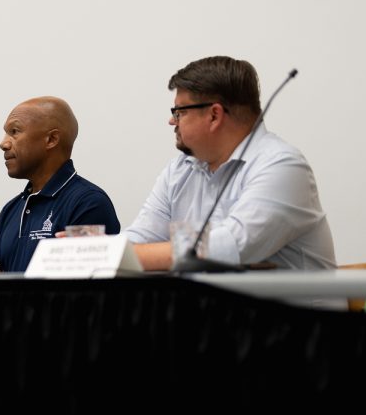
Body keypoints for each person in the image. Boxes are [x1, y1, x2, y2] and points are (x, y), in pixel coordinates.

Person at [125, 55, 336, 271]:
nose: (172, 121)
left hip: (285, 304)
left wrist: (124, 255)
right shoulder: (179, 170)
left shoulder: (283, 166)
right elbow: (139, 239)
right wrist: (105, 253)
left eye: (180, 112)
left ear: (214, 115)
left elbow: (230, 247)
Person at [0, 97, 120, 272]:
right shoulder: (11, 210)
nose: (3, 143)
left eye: (14, 131)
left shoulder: (88, 204)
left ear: (51, 139)